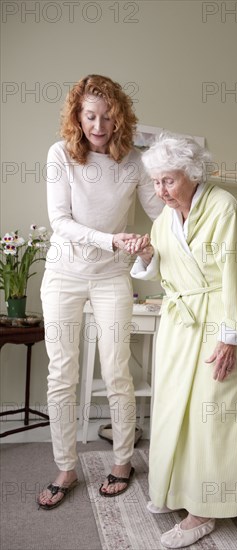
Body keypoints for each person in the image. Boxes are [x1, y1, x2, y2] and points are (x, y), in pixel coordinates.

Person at [37, 75, 162, 510]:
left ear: (120, 118)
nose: (98, 125)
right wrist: (113, 239)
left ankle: (123, 461)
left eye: (107, 117)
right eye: (90, 115)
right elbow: (61, 221)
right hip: (65, 273)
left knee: (117, 372)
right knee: (62, 373)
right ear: (77, 114)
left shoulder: (135, 163)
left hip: (112, 276)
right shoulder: (61, 155)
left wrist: (155, 239)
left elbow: (159, 214)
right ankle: (66, 466)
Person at [130, 133, 237, 547]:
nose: (160, 190)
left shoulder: (223, 208)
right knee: (172, 410)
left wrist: (231, 338)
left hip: (216, 322)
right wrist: (147, 255)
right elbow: (159, 268)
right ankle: (173, 488)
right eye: (155, 182)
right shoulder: (164, 220)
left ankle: (205, 509)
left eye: (168, 181)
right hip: (178, 324)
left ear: (191, 174)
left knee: (211, 414)